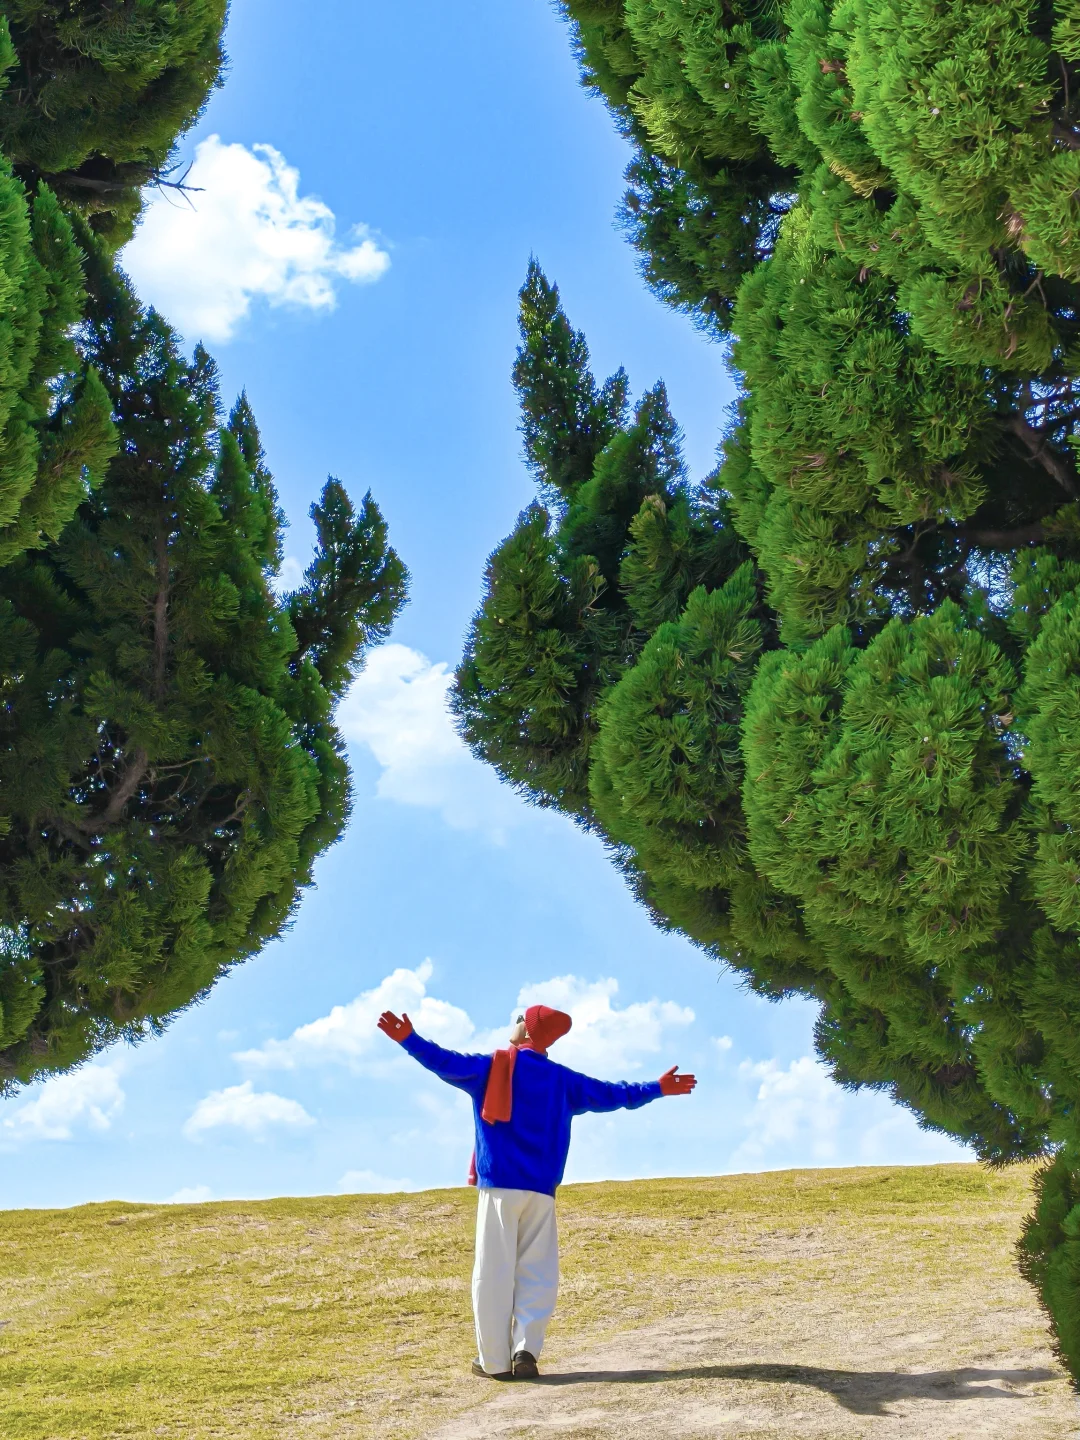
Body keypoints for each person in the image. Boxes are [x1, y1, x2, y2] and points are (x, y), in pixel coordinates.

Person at [377, 1001, 696, 1381]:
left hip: (500, 1187)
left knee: (493, 1272)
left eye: (518, 1019)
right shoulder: (563, 1081)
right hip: (542, 1191)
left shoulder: (492, 1066)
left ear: (526, 1029)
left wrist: (408, 1039)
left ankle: (494, 1362)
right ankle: (525, 1350)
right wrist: (657, 1088)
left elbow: (444, 1061)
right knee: (538, 1273)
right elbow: (613, 1093)